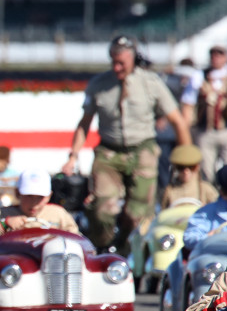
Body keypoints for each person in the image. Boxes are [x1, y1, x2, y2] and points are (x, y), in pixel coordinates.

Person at [62, 36, 191, 251]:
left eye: (121, 62)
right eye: (113, 62)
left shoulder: (151, 83)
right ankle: (101, 249)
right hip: (109, 153)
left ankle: (128, 251)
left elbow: (178, 121)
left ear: (132, 59)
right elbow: (84, 123)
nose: (117, 67)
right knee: (102, 209)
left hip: (142, 150)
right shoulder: (99, 85)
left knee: (138, 214)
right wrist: (73, 156)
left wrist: (187, 161)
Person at [180, 44, 227, 182]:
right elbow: (188, 104)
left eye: (219, 54)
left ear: (226, 57)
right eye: (213, 54)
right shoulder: (199, 76)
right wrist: (185, 134)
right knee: (206, 172)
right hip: (205, 131)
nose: (216, 57)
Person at [0, 170, 80, 252]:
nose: (34, 203)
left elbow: (79, 240)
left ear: (49, 196)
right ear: (17, 194)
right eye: (29, 196)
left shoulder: (58, 214)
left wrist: (58, 235)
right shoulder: (3, 213)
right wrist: (5, 224)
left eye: (40, 197)